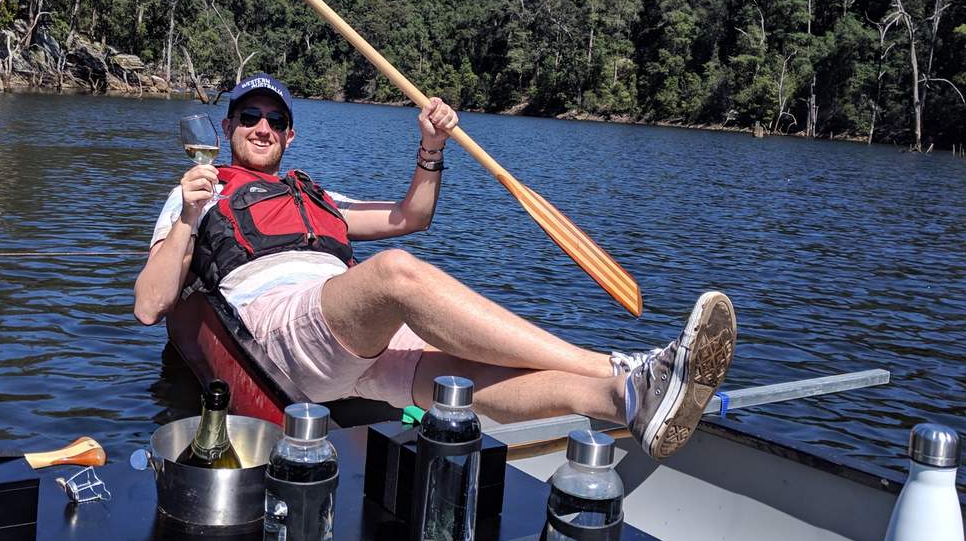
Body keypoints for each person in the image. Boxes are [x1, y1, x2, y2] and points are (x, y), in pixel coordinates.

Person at [135, 73, 737, 460]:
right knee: (396, 273)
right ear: (228, 127)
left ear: (290, 138)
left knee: (461, 382)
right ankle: (626, 365)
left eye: (275, 120)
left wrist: (431, 147)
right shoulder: (200, 189)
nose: (261, 127)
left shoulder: (316, 195)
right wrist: (188, 217)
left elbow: (408, 216)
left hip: (346, 338)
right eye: (248, 117)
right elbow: (148, 305)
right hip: (277, 328)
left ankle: (624, 398)